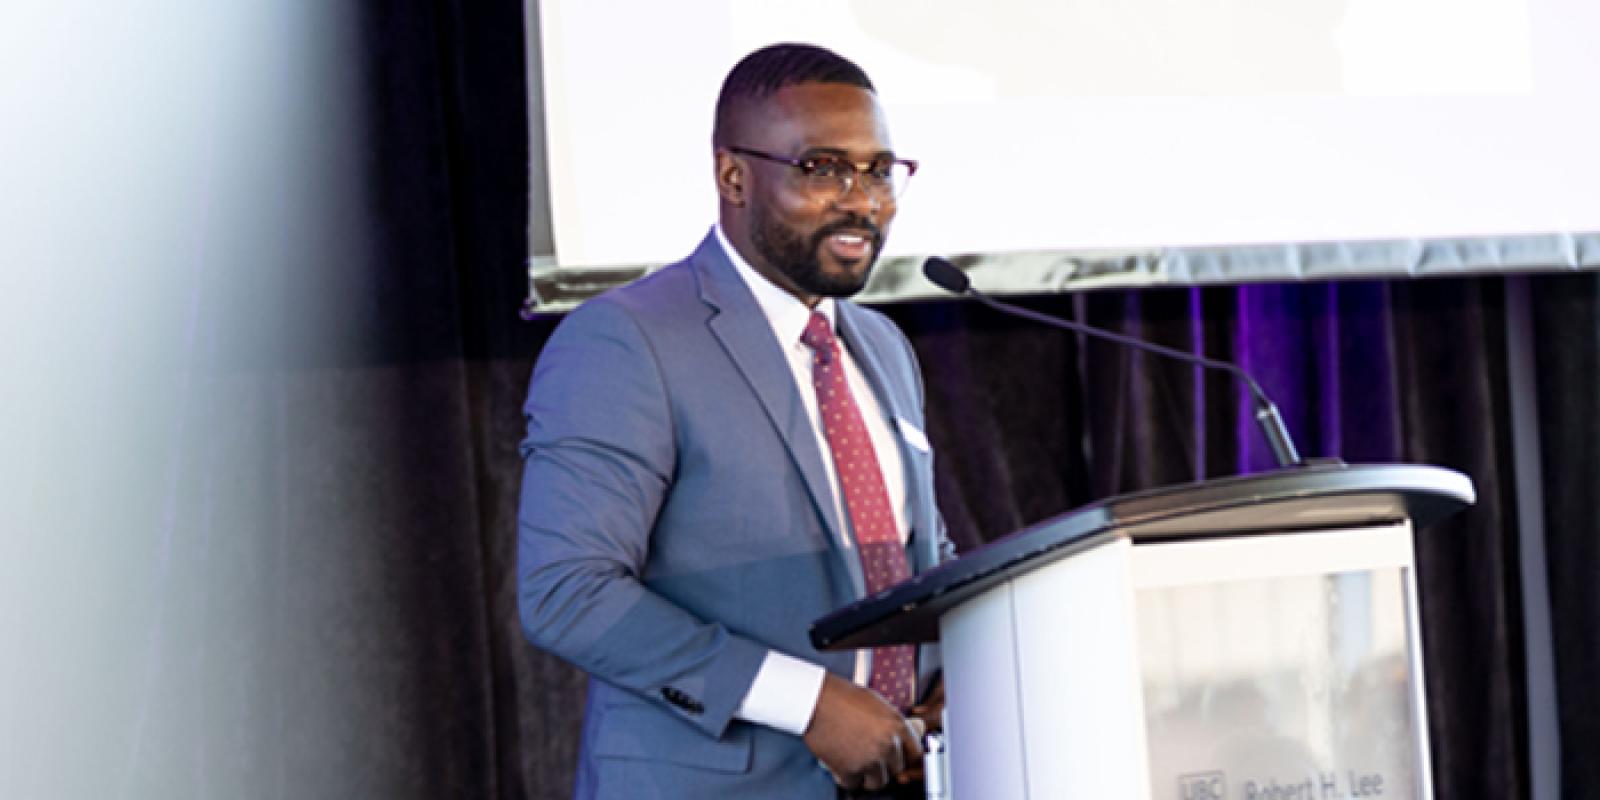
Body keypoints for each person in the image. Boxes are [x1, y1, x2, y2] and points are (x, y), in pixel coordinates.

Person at [517, 42, 953, 799]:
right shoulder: (627, 340)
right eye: (823, 168)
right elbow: (567, 592)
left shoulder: (880, 344)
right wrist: (810, 703)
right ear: (733, 176)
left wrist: (958, 676)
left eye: (880, 170)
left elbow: (921, 556)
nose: (863, 200)